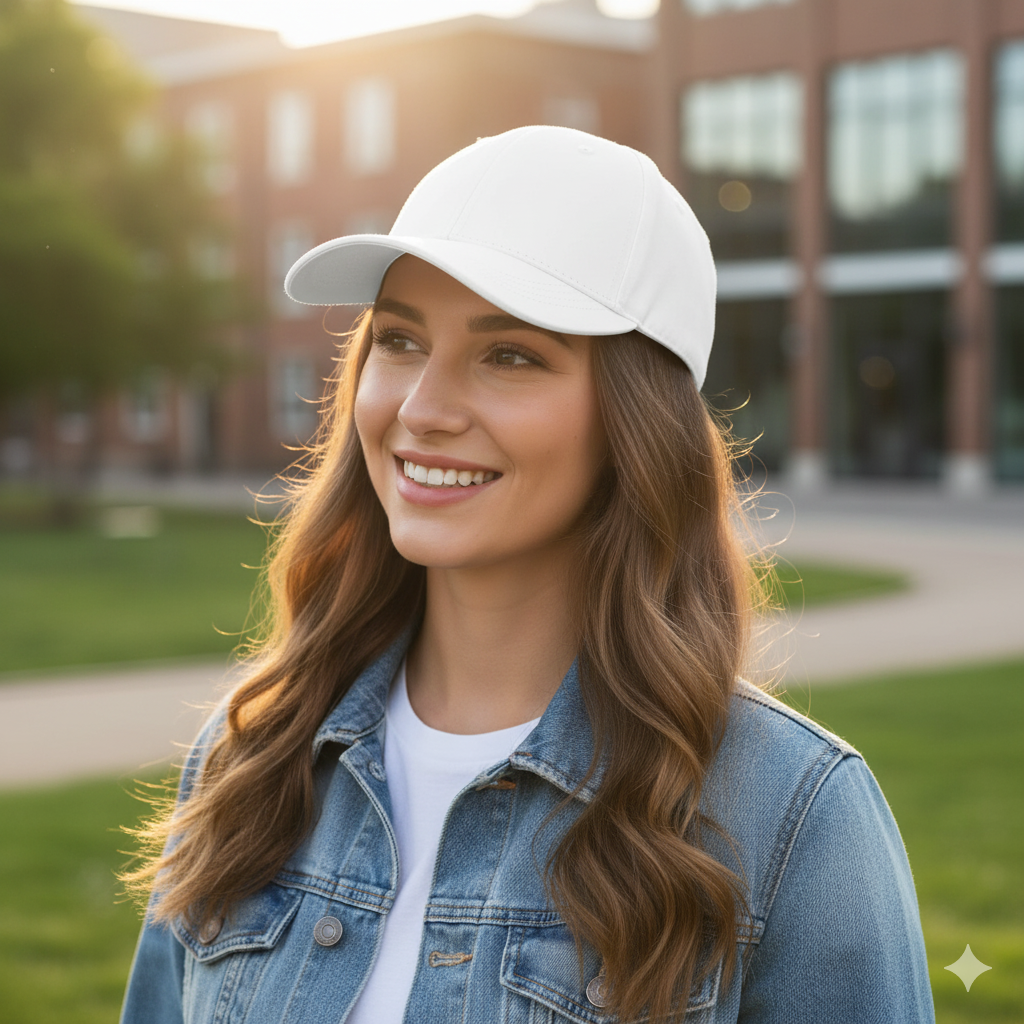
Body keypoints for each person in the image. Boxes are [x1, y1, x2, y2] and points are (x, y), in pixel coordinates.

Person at [119, 125, 935, 1024]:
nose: (422, 409)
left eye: (509, 355)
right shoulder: (255, 756)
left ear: (634, 420)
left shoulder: (790, 816)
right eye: (399, 341)